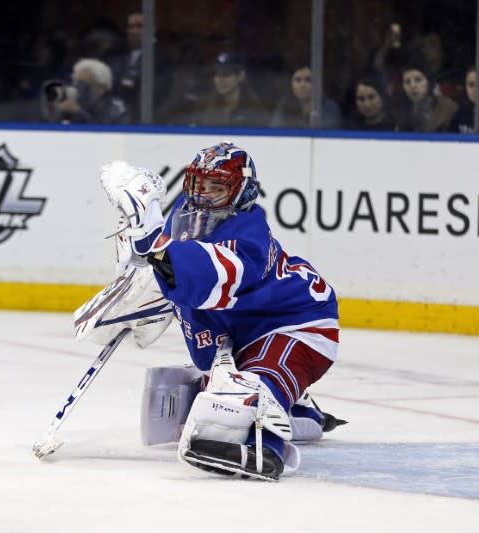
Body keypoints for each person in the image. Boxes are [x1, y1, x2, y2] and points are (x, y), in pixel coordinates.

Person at [99, 142, 343, 480]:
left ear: (241, 191)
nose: (203, 194)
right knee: (219, 395)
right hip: (247, 329)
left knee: (258, 381)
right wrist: (136, 288)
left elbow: (208, 274)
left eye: (217, 186)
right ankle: (300, 409)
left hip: (299, 323)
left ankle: (266, 450)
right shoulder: (185, 216)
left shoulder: (249, 235)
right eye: (199, 183)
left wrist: (155, 246)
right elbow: (171, 270)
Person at [109, 11, 171, 123]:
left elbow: (149, 93)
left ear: (152, 30)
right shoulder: (117, 53)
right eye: (131, 27)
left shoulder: (160, 57)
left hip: (145, 120)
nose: (134, 31)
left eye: (139, 26)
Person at [41, 58, 130, 124]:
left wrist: (78, 112)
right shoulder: (74, 103)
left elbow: (104, 136)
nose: (75, 88)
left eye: (81, 83)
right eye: (74, 82)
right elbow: (52, 133)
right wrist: (62, 111)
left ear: (99, 86)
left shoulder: (116, 109)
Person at [195, 52, 269, 127]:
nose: (220, 80)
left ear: (241, 76)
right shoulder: (206, 109)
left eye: (226, 74)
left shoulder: (254, 112)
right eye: (217, 74)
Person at [270, 65, 342, 129]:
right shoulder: (283, 106)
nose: (302, 85)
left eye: (308, 80)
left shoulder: (330, 108)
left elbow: (327, 134)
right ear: (291, 85)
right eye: (298, 80)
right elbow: (276, 130)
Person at [395, 63, 457, 133]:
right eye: (407, 82)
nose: (412, 85)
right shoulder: (399, 109)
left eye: (418, 80)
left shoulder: (447, 107)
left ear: (429, 82)